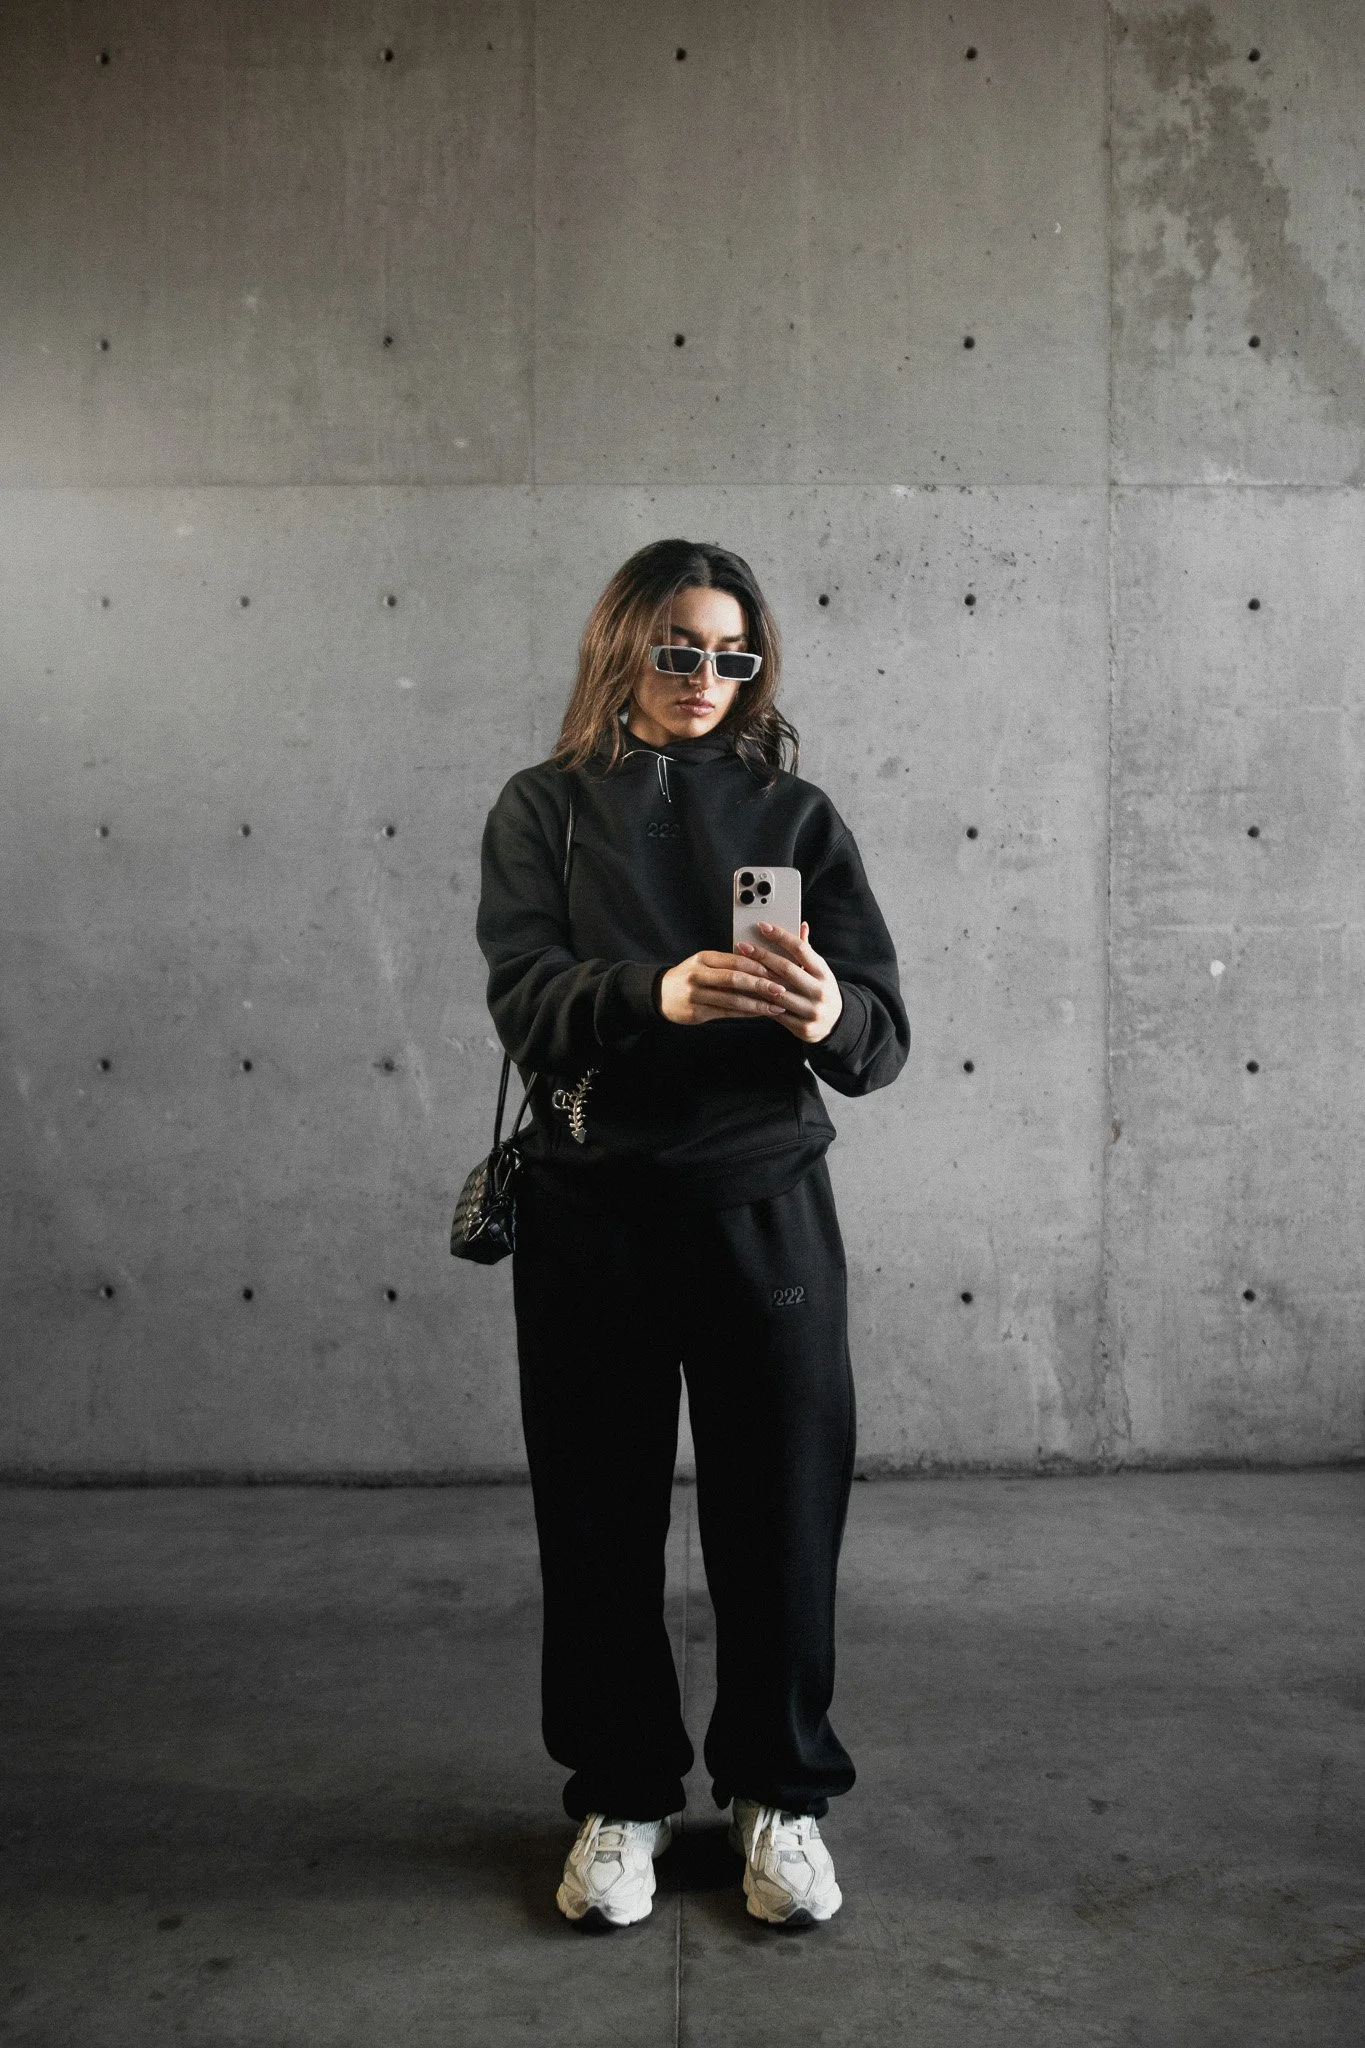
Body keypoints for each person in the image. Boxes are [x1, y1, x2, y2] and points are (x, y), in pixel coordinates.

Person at [475, 538, 910, 1930]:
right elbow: (527, 999)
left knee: (781, 1518)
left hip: (763, 1205)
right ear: (622, 649)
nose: (706, 679)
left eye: (732, 654)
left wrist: (821, 1012)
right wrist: (656, 996)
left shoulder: (797, 816)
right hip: (591, 1209)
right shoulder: (541, 809)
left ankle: (780, 1797)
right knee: (597, 1519)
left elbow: (882, 1040)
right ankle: (620, 1798)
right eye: (678, 649)